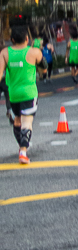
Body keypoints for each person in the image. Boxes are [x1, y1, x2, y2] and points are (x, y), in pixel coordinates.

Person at [0, 25, 45, 164]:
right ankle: (23, 152)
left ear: (12, 39)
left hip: (13, 93)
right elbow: (44, 69)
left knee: (17, 121)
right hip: (29, 93)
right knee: (27, 122)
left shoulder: (4, 53)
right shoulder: (34, 52)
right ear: (27, 38)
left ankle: (21, 146)